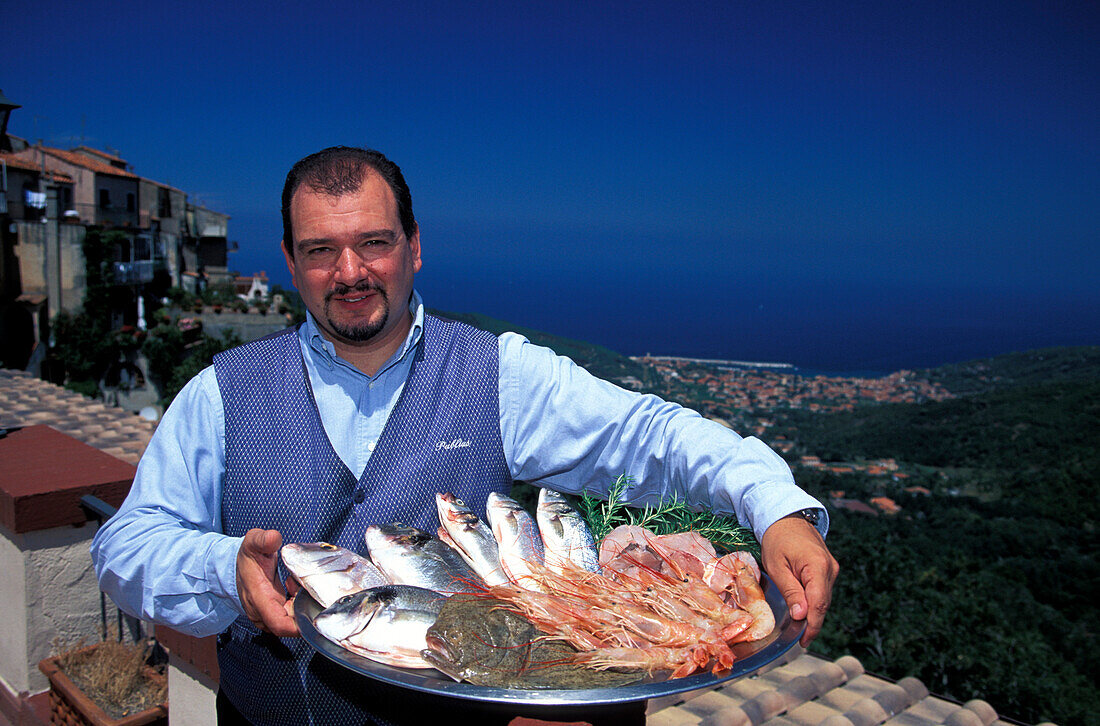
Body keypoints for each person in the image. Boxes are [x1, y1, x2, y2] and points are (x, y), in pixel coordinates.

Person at [91, 146, 838, 726]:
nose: (349, 272)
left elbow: (654, 436)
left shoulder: (499, 375)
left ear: (415, 246)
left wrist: (776, 508)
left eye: (374, 243)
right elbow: (124, 547)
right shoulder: (221, 393)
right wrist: (227, 571)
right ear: (289, 261)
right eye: (320, 250)